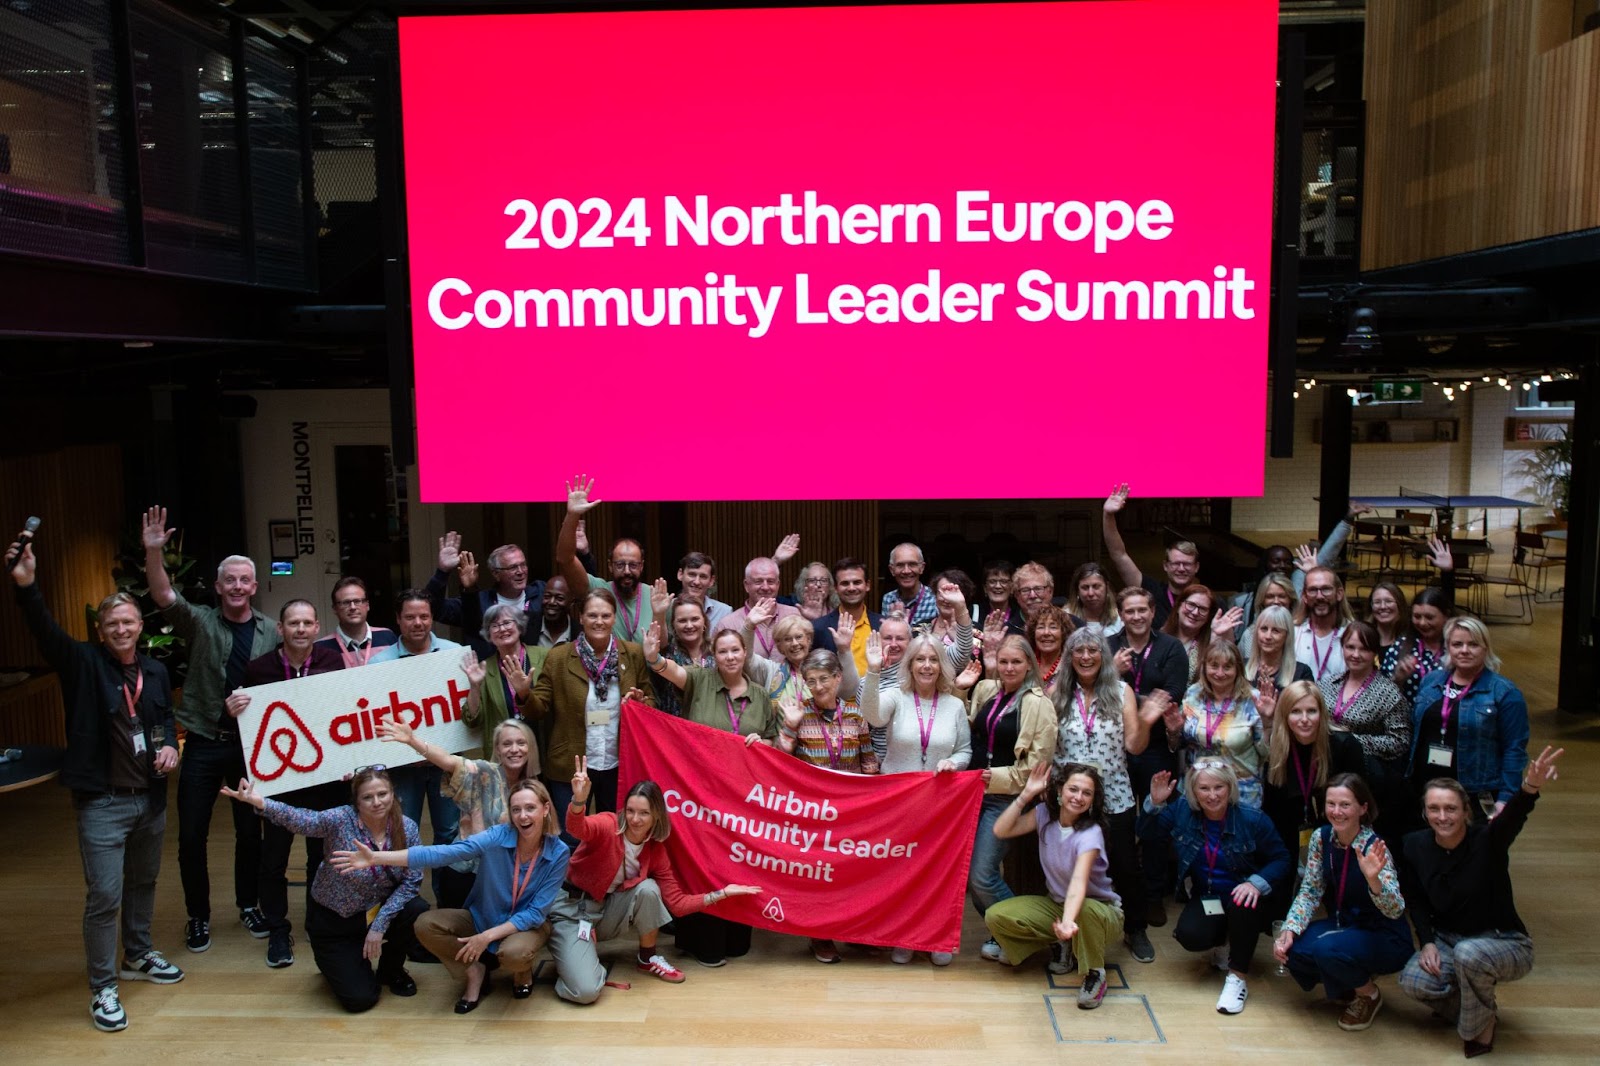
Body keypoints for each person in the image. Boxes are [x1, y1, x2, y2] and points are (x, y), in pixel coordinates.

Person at [9, 532, 184, 1033]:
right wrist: (27, 586)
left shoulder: (154, 670)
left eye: (128, 621)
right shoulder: (82, 664)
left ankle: (138, 954)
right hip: (103, 803)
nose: (121, 629)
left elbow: (160, 720)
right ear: (100, 631)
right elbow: (44, 631)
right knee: (105, 896)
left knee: (144, 882)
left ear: (140, 626)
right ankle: (103, 987)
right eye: (112, 624)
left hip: (150, 799)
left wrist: (169, 745)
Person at [141, 505, 280, 954]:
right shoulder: (200, 620)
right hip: (203, 742)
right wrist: (154, 551)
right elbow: (163, 594)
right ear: (219, 587)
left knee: (249, 833)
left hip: (249, 749)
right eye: (230, 580)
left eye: (245, 580)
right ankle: (197, 916)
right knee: (191, 836)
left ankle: (248, 905)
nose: (237, 586)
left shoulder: (272, 632)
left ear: (254, 587)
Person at [331, 778, 570, 1013]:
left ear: (545, 809)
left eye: (530, 808)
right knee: (426, 924)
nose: (523, 816)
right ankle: (474, 971)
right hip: (484, 917)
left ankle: (522, 970)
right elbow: (444, 853)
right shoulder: (498, 836)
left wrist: (486, 937)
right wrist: (376, 857)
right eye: (516, 809)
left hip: (525, 926)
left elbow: (535, 913)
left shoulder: (559, 852)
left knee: (514, 954)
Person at [1398, 747, 1563, 1058]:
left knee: (1469, 954)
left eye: (1451, 809)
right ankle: (1483, 1012)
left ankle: (1478, 1031)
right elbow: (1415, 899)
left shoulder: (1489, 839)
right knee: (1413, 980)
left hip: (1505, 941)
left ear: (1466, 812)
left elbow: (1514, 817)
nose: (1442, 817)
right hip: (1450, 940)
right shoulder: (1414, 845)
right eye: (1434, 809)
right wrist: (1428, 941)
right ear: (1425, 812)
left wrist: (1530, 786)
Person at [221, 769, 425, 1013]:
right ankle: (339, 961)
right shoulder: (340, 819)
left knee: (416, 908)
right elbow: (301, 819)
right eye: (368, 797)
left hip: (376, 913)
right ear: (356, 801)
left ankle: (391, 970)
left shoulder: (407, 828)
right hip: (335, 922)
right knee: (361, 999)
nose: (377, 802)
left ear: (393, 794)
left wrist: (379, 926)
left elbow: (412, 881)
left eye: (383, 794)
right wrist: (261, 803)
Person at [552, 762, 762, 995]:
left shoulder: (655, 850)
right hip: (572, 909)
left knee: (649, 888)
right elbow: (577, 828)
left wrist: (722, 893)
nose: (635, 819)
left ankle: (647, 958)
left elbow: (677, 904)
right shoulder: (608, 825)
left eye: (644, 813)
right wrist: (579, 801)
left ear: (656, 816)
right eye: (630, 811)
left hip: (605, 911)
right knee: (586, 992)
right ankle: (564, 947)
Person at [225, 600, 345, 968]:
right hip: (279, 779)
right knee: (274, 857)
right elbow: (245, 726)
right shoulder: (258, 669)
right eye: (293, 623)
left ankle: (316, 921)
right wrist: (233, 710)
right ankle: (278, 929)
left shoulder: (332, 662)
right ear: (281, 629)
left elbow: (342, 713)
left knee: (319, 856)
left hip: (323, 777)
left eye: (307, 623)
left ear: (317, 627)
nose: (301, 629)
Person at [1139, 761, 1292, 1015]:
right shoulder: (1182, 810)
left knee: (1241, 904)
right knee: (1189, 935)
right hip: (1209, 897)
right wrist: (1154, 803)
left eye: (1219, 787)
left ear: (1230, 787)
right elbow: (1147, 834)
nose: (1212, 795)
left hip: (1247, 899)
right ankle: (1226, 942)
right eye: (1204, 788)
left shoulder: (1253, 818)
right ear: (1193, 791)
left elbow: (1282, 859)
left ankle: (1237, 978)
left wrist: (1255, 883)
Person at [1052, 628, 1160, 964]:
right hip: (1070, 796)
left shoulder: (1122, 691)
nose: (1086, 657)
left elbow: (1135, 746)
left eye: (1093, 650)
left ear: (1104, 655)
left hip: (1113, 793)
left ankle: (1135, 928)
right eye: (1078, 650)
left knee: (1125, 865)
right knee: (1066, 866)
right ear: (1069, 656)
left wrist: (1145, 720)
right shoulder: (1055, 692)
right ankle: (1065, 935)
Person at [1274, 774, 1412, 1031]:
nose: (1336, 812)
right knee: (1291, 950)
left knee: (1326, 949)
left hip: (1384, 934)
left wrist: (1374, 880)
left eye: (1345, 805)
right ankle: (1349, 981)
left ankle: (1369, 995)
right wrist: (1289, 929)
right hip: (1344, 925)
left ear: (1363, 808)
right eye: (1331, 804)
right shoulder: (1321, 837)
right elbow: (1310, 891)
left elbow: (1396, 910)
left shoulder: (1375, 847)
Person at [379, 714, 542, 926]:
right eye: (507, 744)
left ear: (531, 748)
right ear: (497, 749)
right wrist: (412, 740)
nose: (514, 749)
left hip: (506, 880)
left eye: (521, 743)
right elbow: (448, 761)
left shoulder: (536, 786)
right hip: (468, 874)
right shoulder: (484, 772)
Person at [986, 762, 1125, 1009]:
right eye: (1073, 789)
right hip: (1059, 906)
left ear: (1093, 800)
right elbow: (1000, 830)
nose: (1078, 797)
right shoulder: (1043, 814)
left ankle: (1095, 973)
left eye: (1087, 793)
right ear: (1060, 790)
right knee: (996, 915)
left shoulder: (1091, 833)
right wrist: (1027, 794)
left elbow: (1078, 883)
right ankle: (1063, 945)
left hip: (1101, 912)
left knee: (1086, 910)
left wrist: (1068, 921)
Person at [775, 649, 879, 964]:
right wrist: (790, 726)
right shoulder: (798, 712)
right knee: (818, 876)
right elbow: (779, 762)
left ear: (838, 678)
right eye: (811, 681)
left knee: (851, 875)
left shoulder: (856, 714)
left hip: (851, 812)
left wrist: (873, 804)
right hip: (813, 813)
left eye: (824, 679)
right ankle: (820, 936)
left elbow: (869, 762)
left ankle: (853, 932)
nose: (818, 687)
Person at [522, 587, 654, 820]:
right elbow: (538, 709)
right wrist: (524, 692)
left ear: (614, 618)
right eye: (592, 615)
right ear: (581, 618)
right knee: (571, 833)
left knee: (612, 829)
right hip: (570, 763)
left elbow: (650, 701)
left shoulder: (633, 654)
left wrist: (641, 703)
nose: (599, 621)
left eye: (605, 615)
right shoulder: (559, 657)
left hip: (617, 762)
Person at [368, 590, 464, 906]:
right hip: (401, 768)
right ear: (398, 620)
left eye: (424, 616)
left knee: (448, 834)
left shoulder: (454, 654)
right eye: (410, 617)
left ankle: (448, 906)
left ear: (432, 617)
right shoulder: (379, 664)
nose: (418, 623)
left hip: (444, 765)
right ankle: (404, 907)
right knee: (401, 835)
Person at [965, 634, 1057, 963]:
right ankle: (1001, 932)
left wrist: (996, 777)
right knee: (971, 874)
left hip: (1006, 798)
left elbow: (1038, 767)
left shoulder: (1039, 704)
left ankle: (1030, 934)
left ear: (1030, 664)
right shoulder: (985, 690)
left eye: (1016, 662)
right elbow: (965, 730)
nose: (1008, 668)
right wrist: (960, 690)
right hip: (971, 794)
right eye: (1003, 661)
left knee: (982, 874)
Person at [1108, 586, 1189, 930]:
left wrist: (1128, 696)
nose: (1137, 616)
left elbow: (1172, 696)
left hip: (1157, 746)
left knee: (1156, 821)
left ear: (1153, 612)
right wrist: (1112, 672)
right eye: (1130, 611)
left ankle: (1154, 894)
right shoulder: (1108, 647)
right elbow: (1096, 688)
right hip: (1116, 747)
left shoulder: (1171, 648)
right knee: (1121, 824)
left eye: (1143, 610)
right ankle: (1121, 891)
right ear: (1120, 614)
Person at [1407, 617, 1529, 820]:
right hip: (1425, 788)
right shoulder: (1431, 681)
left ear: (1485, 648)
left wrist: (1506, 797)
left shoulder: (1505, 693)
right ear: (1448, 647)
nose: (1464, 650)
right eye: (1457, 644)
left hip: (1474, 793)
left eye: (1473, 644)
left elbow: (1514, 749)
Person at [1261, 682, 1366, 867]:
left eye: (1311, 711)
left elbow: (1358, 804)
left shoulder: (1344, 746)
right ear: (1285, 715)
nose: (1304, 719)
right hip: (1289, 839)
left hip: (1338, 836)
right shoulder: (1278, 748)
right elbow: (1272, 809)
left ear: (1321, 713)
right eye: (1295, 712)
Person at [1315, 621, 1412, 797]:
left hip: (1364, 779)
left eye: (1364, 649)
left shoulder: (1389, 692)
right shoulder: (1326, 685)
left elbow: (1400, 742)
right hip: (1323, 770)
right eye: (1350, 647)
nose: (1355, 654)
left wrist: (1351, 743)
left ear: (1375, 652)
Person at [1167, 640, 1268, 808]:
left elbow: (1267, 754)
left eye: (1227, 667)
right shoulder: (1193, 694)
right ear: (1204, 667)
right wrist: (1173, 732)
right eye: (1214, 666)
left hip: (1241, 793)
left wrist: (1269, 723)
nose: (1220, 673)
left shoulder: (1253, 700)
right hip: (1198, 791)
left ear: (1238, 669)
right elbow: (1181, 744)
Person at [643, 623, 781, 744]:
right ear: (714, 656)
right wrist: (654, 659)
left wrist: (761, 743)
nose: (730, 657)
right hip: (699, 764)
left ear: (745, 652)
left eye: (735, 650)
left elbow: (770, 738)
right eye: (722, 652)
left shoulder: (761, 695)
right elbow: (674, 670)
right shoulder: (700, 679)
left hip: (744, 765)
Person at [557, 476, 655, 642]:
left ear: (642, 566)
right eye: (620, 564)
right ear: (610, 565)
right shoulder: (598, 590)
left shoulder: (654, 596)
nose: (626, 571)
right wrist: (572, 515)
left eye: (633, 565)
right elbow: (565, 559)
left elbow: (665, 643)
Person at [426, 534, 550, 657]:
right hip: (490, 668)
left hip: (534, 666)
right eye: (513, 567)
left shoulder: (541, 593)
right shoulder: (478, 602)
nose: (521, 571)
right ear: (496, 574)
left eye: (523, 565)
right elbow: (433, 608)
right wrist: (442, 571)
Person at [1103, 483, 1199, 629]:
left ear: (1196, 567)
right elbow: (1119, 555)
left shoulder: (1206, 601)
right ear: (1165, 566)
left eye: (1187, 564)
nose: (1181, 568)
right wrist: (1108, 515)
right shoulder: (1151, 591)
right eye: (1175, 563)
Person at [465, 604, 548, 746]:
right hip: (504, 752)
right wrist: (474, 686)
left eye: (507, 622)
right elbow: (472, 720)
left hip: (543, 745)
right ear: (489, 634)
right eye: (495, 626)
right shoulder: (483, 670)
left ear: (519, 626)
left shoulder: (545, 657)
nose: (502, 629)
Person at [717, 556, 802, 659]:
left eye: (770, 581)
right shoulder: (728, 624)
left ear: (778, 585)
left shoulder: (794, 615)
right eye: (758, 581)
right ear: (746, 585)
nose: (765, 587)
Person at [1385, 585, 1454, 706]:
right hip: (1407, 714)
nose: (1422, 623)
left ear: (1446, 616)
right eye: (1417, 617)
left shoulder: (1458, 647)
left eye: (1429, 617)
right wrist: (1398, 678)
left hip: (1448, 715)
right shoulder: (1401, 646)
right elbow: (1382, 693)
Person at [810, 557, 882, 674]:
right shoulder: (819, 628)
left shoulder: (882, 624)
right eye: (845, 583)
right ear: (836, 588)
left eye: (857, 582)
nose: (851, 588)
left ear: (867, 585)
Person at [1242, 605, 1312, 718]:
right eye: (1264, 629)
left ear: (1287, 636)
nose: (1268, 636)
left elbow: (1306, 714)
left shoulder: (1301, 672)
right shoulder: (1240, 667)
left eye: (1276, 631)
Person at [314, 576, 398, 667]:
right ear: (335, 609)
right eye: (346, 602)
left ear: (367, 605)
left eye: (357, 601)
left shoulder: (387, 637)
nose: (353, 607)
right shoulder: (320, 649)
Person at [648, 598, 712, 718]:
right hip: (673, 725)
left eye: (695, 619)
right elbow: (658, 643)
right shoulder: (668, 651)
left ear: (704, 621)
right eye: (682, 620)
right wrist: (659, 613)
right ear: (673, 624)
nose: (689, 625)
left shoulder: (717, 651)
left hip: (712, 726)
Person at [1295, 566, 1353, 682]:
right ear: (1304, 596)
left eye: (1326, 589)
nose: (1319, 596)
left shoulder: (1353, 634)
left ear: (1339, 594)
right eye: (1313, 590)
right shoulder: (1293, 633)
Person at [926, 569, 976, 673]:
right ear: (935, 595)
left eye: (953, 593)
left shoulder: (976, 631)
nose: (947, 599)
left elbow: (971, 664)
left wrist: (957, 640)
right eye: (943, 593)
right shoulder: (919, 628)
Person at [674, 550, 733, 631]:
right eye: (692, 574)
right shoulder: (667, 609)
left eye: (703, 576)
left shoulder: (724, 612)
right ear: (680, 574)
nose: (697, 582)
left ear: (711, 581)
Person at [883, 542, 938, 625]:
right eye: (900, 565)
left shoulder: (935, 598)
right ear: (892, 570)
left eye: (912, 564)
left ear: (921, 568)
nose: (906, 571)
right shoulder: (888, 599)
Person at [1025, 604, 1073, 695]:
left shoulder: (1071, 666)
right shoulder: (1025, 663)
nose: (1046, 633)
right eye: (1041, 627)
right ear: (1033, 633)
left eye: (1053, 627)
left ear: (1064, 633)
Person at [1064, 562, 1122, 637]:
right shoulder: (1066, 617)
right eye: (1085, 588)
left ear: (1107, 587)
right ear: (1077, 591)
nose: (1090, 593)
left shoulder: (1120, 617)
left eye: (1096, 586)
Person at [978, 560, 1025, 634]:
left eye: (1004, 581)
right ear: (985, 588)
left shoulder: (1021, 615)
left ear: (1012, 587)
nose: (998, 586)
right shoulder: (974, 612)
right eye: (992, 581)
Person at [533, 574, 579, 649]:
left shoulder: (579, 634)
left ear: (571, 603)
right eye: (547, 596)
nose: (551, 602)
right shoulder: (527, 627)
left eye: (559, 598)